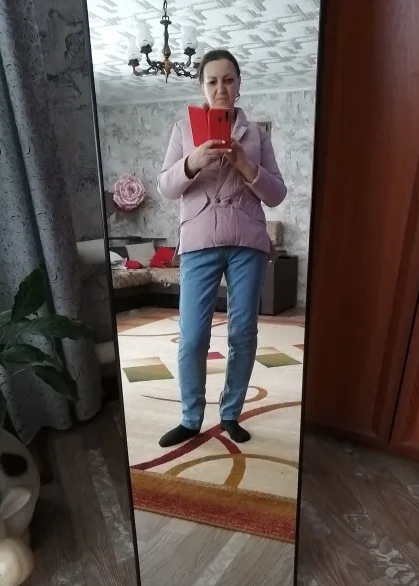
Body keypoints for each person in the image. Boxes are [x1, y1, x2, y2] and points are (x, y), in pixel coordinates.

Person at [157, 49, 287, 448]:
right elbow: (165, 187)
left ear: (239, 85)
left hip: (248, 242)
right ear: (202, 86)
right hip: (199, 241)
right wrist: (193, 161)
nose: (220, 88)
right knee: (193, 336)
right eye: (212, 81)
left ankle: (230, 414)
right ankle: (190, 418)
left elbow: (277, 194)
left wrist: (246, 165)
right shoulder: (183, 129)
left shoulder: (257, 134)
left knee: (243, 332)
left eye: (228, 80)